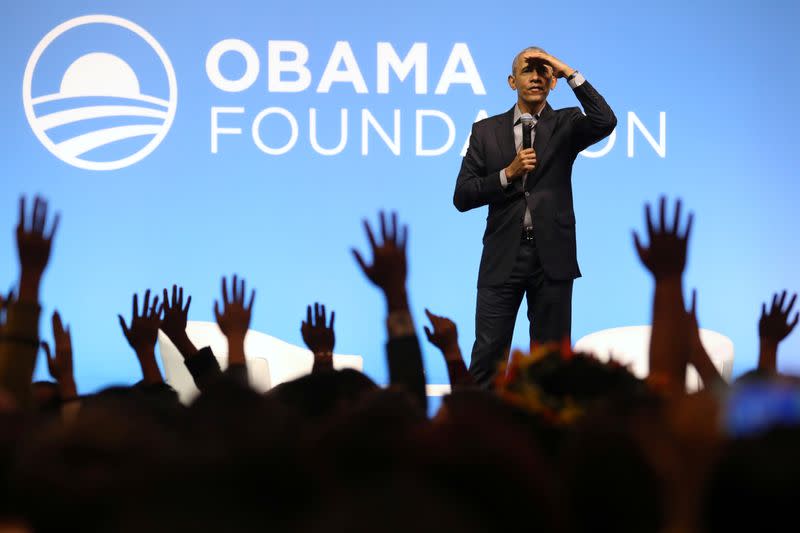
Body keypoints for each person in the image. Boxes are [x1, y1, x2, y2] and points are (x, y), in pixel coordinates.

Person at [453, 47, 616, 387]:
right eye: (528, 71)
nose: (537, 77)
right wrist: (506, 174)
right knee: (487, 359)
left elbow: (605, 120)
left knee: (553, 365)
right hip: (503, 257)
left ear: (553, 82)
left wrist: (566, 69)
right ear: (512, 81)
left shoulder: (566, 123)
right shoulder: (485, 131)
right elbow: (463, 196)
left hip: (551, 259)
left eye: (545, 72)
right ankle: (476, 436)